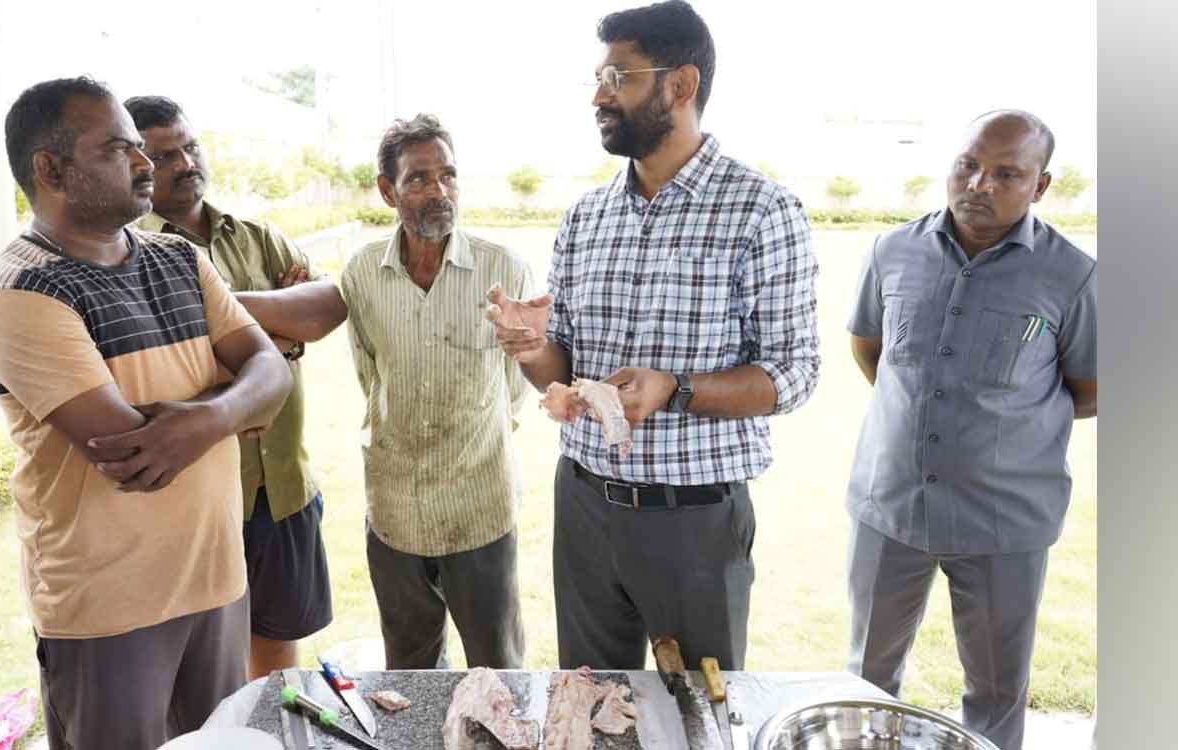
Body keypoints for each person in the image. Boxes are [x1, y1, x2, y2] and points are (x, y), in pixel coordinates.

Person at [487, 0, 821, 671]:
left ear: (681, 84)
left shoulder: (762, 210)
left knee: (699, 711)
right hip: (583, 503)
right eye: (599, 81)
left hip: (694, 522)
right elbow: (561, 369)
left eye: (619, 78)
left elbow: (793, 373)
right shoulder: (585, 217)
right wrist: (532, 347)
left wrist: (675, 389)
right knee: (592, 703)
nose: (599, 98)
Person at [0, 76, 292, 750]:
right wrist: (236, 404)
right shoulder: (18, 291)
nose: (147, 164)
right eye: (120, 150)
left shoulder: (181, 258)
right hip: (108, 610)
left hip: (216, 581)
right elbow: (134, 453)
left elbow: (272, 373)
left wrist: (207, 420)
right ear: (51, 169)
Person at [843, 110, 1097, 750]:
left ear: (1039, 187)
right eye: (967, 164)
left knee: (995, 691)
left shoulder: (1073, 276)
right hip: (890, 505)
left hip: (1003, 522)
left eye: (1006, 173)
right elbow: (871, 351)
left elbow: (1089, 390)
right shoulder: (891, 250)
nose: (979, 183)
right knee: (866, 678)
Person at [126, 94, 347, 679]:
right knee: (196, 665)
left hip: (281, 486)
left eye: (190, 146)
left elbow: (327, 305)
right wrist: (273, 329)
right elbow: (159, 372)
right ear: (134, 164)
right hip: (191, 496)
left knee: (277, 656)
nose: (184, 162)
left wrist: (222, 317)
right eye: (164, 154)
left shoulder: (255, 237)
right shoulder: (128, 255)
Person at [339, 113, 530, 670]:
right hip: (395, 509)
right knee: (409, 671)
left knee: (497, 670)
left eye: (448, 175)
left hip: (480, 508)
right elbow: (370, 373)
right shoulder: (362, 272)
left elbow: (514, 387)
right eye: (419, 179)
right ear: (387, 190)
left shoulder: (503, 267)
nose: (438, 191)